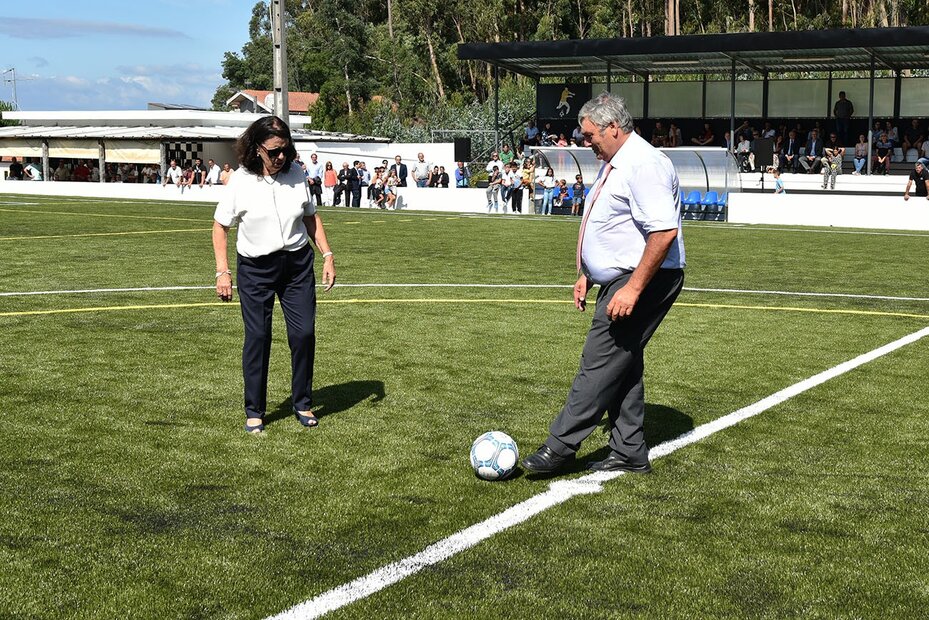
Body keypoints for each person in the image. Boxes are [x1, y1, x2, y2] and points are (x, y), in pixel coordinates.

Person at [520, 92, 685, 475]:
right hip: (623, 277)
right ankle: (628, 450)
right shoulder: (617, 161)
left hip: (645, 277)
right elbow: (614, 226)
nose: (585, 141)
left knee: (598, 363)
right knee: (621, 365)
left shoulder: (644, 164)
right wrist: (589, 275)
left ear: (613, 128)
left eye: (590, 134)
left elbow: (663, 233)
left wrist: (632, 288)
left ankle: (560, 447)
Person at [212, 115, 335, 434]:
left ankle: (302, 402)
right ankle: (255, 410)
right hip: (255, 270)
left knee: (304, 334)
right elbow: (220, 226)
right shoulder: (240, 180)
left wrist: (327, 255)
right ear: (256, 149)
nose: (282, 157)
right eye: (274, 151)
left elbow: (311, 218)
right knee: (258, 337)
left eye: (286, 150)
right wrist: (222, 271)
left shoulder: (296, 173)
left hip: (296, 267)